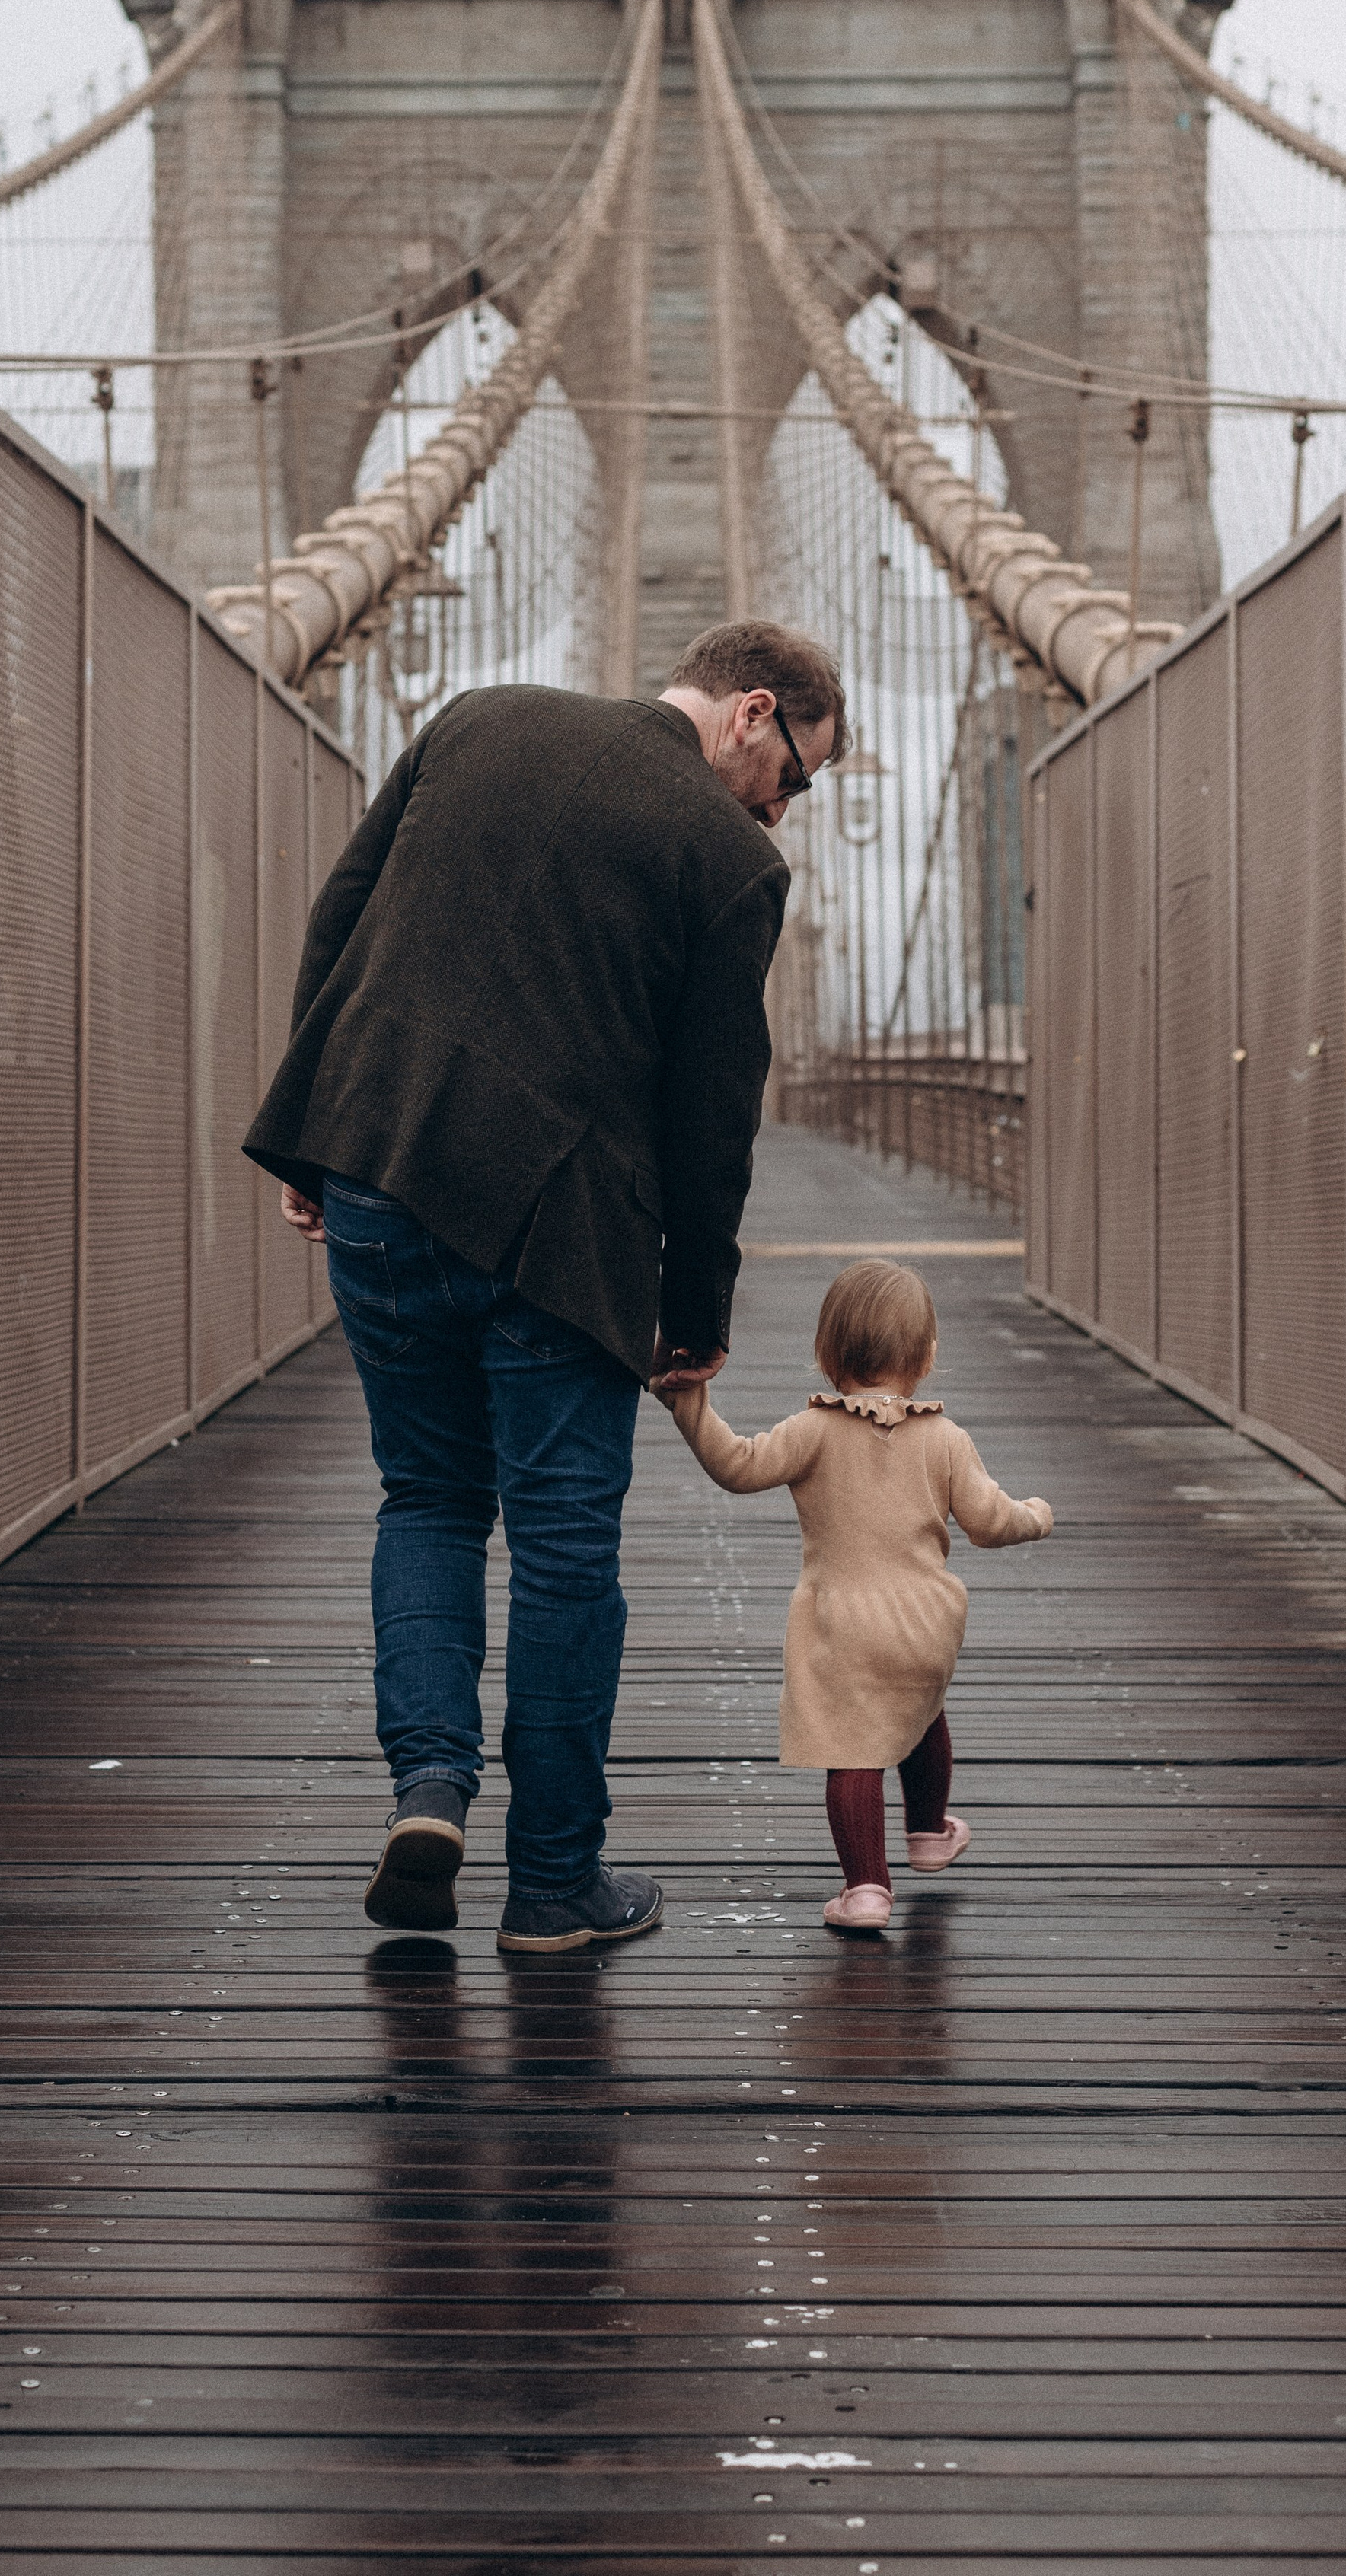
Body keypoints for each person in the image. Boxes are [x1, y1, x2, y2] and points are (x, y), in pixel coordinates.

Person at [246, 623, 847, 1953]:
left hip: (381, 1172)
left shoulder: (477, 718)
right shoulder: (732, 861)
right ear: (756, 713)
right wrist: (694, 1316)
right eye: (798, 775)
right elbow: (709, 1119)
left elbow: (343, 918)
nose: (787, 808)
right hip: (559, 1234)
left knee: (430, 1498)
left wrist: (313, 1131)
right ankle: (553, 1887)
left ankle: (430, 1786)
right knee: (566, 1546)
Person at [661, 1257, 1052, 1934]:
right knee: (922, 1709)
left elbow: (737, 1465)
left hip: (844, 1622)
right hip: (926, 1623)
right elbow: (991, 1523)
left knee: (855, 1747)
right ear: (927, 1356)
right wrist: (1036, 1514)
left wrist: (689, 1400)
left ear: (826, 1352)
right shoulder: (946, 1439)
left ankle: (866, 1889)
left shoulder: (814, 1431)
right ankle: (929, 1833)